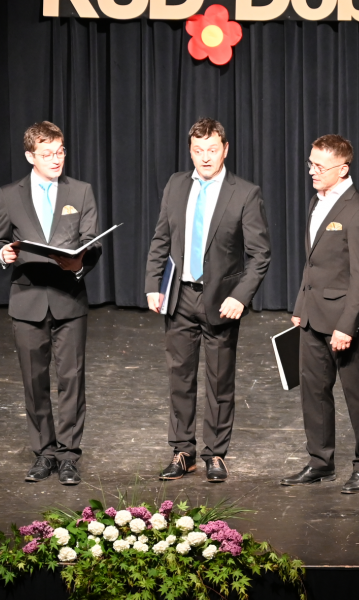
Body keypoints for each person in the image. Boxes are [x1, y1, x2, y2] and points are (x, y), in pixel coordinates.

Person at [144, 118, 271, 483]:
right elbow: (161, 239)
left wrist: (240, 297)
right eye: (198, 151)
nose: (205, 157)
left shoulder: (245, 193)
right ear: (190, 151)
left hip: (221, 301)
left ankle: (215, 453)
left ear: (225, 149)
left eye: (212, 150)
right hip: (179, 296)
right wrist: (153, 284)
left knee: (219, 381)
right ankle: (183, 452)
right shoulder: (176, 184)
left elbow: (260, 254)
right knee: (180, 378)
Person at [0, 122, 103, 486]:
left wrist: (79, 262)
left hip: (69, 298)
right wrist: (3, 254)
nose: (56, 159)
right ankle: (44, 453)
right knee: (34, 380)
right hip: (28, 298)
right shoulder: (10, 194)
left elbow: (93, 241)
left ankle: (69, 455)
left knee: (71, 379)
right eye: (48, 154)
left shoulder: (80, 191)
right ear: (30, 156)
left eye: (60, 152)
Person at [280, 134, 359, 493]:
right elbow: (312, 265)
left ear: (343, 169)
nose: (312, 171)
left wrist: (347, 326)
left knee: (358, 396)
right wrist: (300, 307)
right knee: (313, 392)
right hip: (312, 318)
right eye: (311, 164)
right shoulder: (316, 202)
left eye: (320, 166)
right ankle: (320, 462)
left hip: (344, 323)